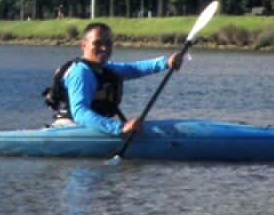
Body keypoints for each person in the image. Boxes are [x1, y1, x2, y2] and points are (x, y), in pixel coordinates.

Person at [44, 22, 184, 136]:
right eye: (98, 43)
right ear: (84, 45)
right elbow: (80, 113)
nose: (104, 48)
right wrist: (119, 128)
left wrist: (166, 62)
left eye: (108, 44)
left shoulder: (104, 68)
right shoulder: (80, 73)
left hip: (92, 126)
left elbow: (134, 69)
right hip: (71, 128)